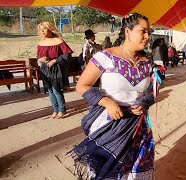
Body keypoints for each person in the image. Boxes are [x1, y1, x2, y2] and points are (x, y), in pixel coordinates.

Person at [69, 13, 158, 179]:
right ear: (128, 31)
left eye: (149, 32)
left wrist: (144, 102)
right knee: (108, 172)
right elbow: (82, 85)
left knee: (136, 172)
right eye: (143, 31)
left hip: (139, 128)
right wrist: (107, 102)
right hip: (110, 125)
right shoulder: (105, 57)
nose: (147, 36)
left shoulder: (147, 63)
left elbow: (153, 90)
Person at [36, 22, 73, 119]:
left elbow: (67, 55)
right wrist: (40, 59)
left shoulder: (58, 41)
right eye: (41, 30)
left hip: (56, 69)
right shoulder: (41, 43)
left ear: (50, 29)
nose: (42, 31)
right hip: (45, 69)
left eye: (44, 29)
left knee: (56, 90)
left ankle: (62, 110)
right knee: (50, 91)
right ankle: (55, 110)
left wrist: (55, 60)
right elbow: (38, 57)